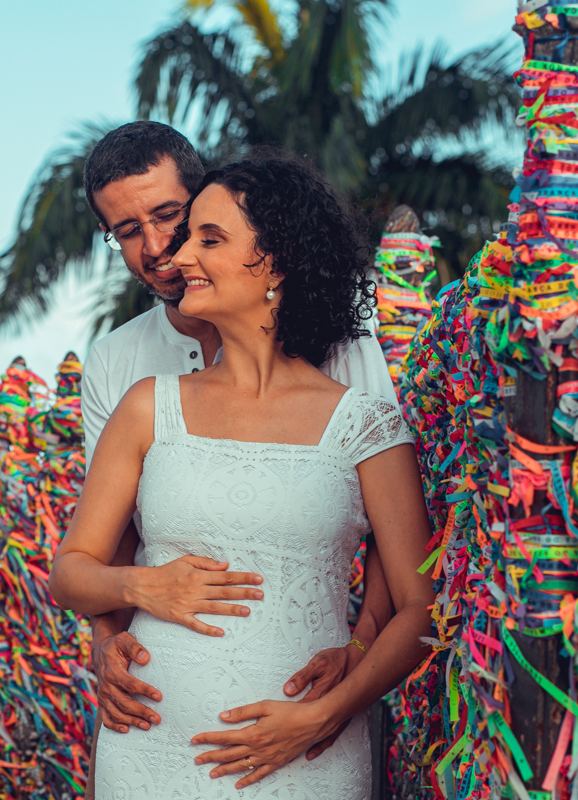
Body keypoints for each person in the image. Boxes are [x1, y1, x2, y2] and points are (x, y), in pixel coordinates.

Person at [50, 152, 434, 797]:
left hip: (310, 753)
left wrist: (330, 708)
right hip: (150, 745)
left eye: (206, 236)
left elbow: (420, 603)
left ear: (277, 261)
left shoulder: (362, 417)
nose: (174, 255)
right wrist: (134, 603)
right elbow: (77, 567)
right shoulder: (142, 397)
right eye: (127, 230)